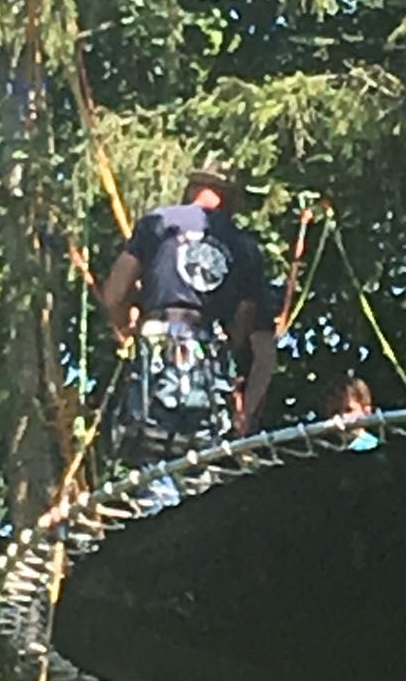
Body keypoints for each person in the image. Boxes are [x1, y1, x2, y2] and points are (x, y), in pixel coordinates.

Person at [101, 160, 277, 467]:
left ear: (194, 188)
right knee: (204, 468)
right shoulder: (245, 248)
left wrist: (126, 325)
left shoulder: (158, 222)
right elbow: (260, 344)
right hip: (208, 364)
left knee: (150, 455)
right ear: (229, 198)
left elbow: (114, 294)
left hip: (157, 355)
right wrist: (246, 412)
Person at [323, 373, 380, 451]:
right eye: (335, 412)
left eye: (348, 410)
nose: (342, 417)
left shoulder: (377, 446)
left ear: (366, 411)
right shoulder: (324, 450)